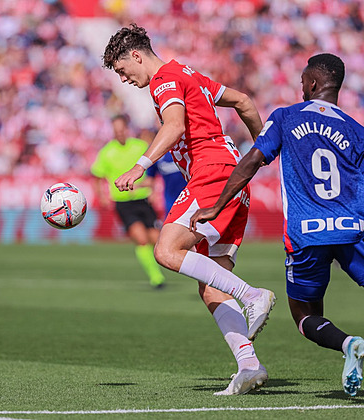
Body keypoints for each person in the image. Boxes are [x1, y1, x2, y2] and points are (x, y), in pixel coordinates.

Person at [190, 53, 364, 405]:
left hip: (306, 236)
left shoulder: (285, 117)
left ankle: (347, 343)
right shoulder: (357, 129)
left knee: (305, 317)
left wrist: (216, 206)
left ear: (314, 84)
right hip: (353, 230)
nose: (300, 85)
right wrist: (362, 231)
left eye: (304, 79)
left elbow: (252, 161)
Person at [103, 24, 276, 395]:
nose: (124, 79)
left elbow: (176, 125)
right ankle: (249, 365)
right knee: (212, 288)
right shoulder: (189, 74)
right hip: (233, 179)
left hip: (212, 175)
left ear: (136, 55)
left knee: (165, 250)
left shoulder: (164, 79)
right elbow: (244, 101)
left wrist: (140, 165)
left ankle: (252, 295)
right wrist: (262, 155)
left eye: (121, 70)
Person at [91, 114, 166, 289]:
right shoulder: (107, 152)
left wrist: (152, 187)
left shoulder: (140, 147)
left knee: (157, 239)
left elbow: (153, 172)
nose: (119, 133)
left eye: (122, 129)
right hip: (123, 203)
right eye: (116, 131)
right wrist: (102, 195)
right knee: (140, 238)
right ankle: (156, 278)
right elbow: (96, 176)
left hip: (143, 200)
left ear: (127, 129)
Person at [146, 152, 188, 218]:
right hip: (171, 199)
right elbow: (150, 176)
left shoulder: (185, 146)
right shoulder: (157, 151)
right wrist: (151, 192)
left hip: (192, 196)